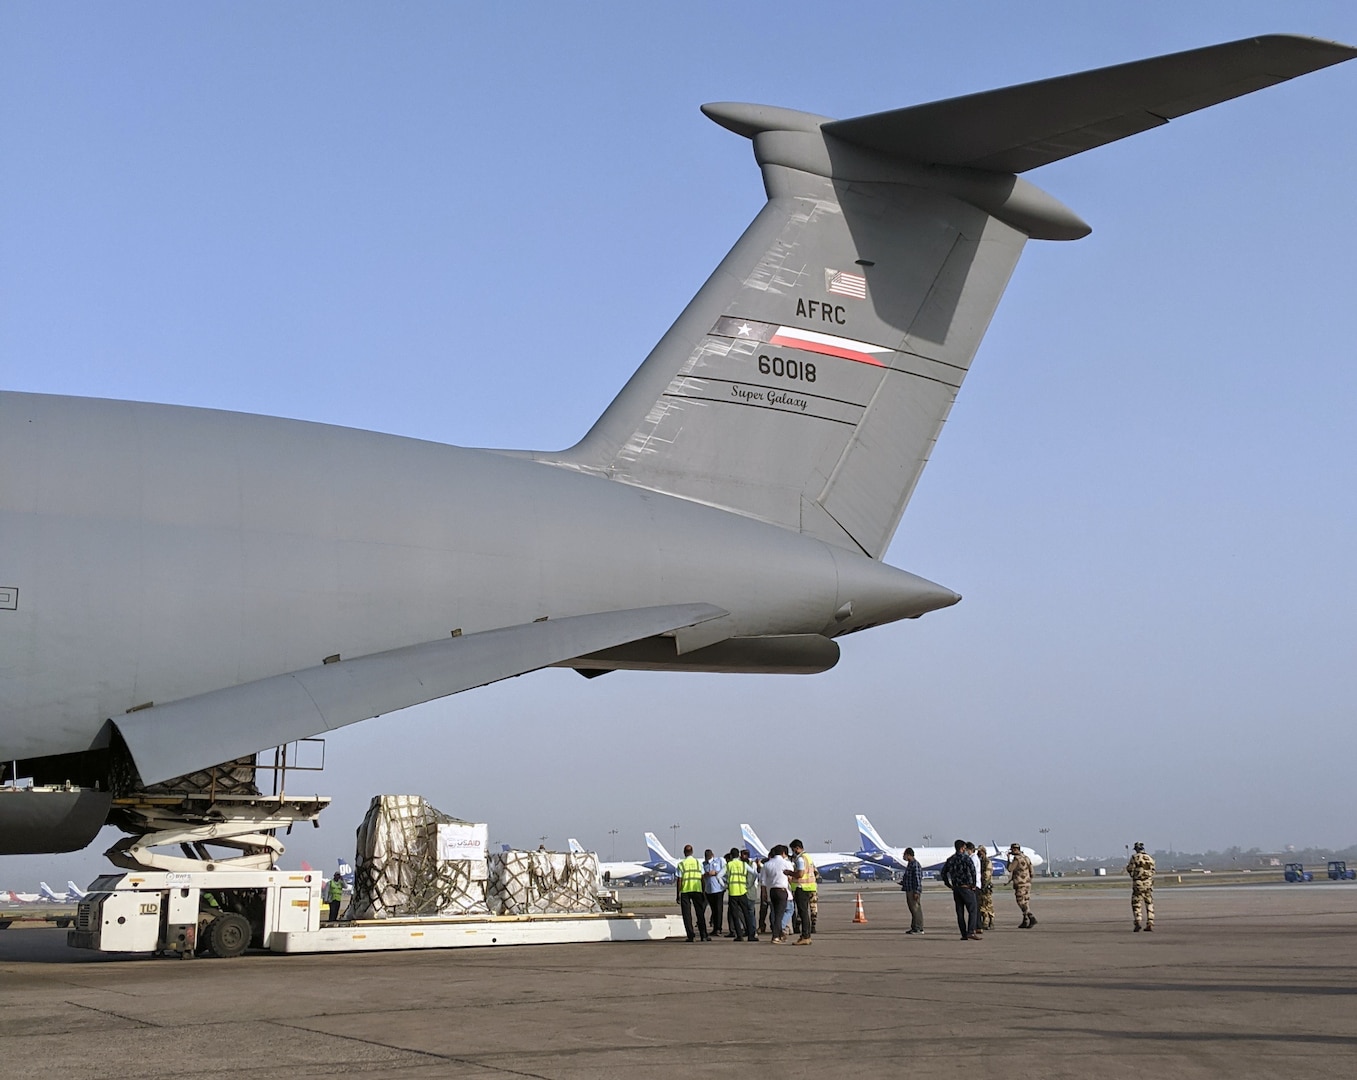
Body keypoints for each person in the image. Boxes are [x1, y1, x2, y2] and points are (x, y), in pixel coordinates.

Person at [939, 839, 980, 940]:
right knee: (973, 909)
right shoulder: (966, 859)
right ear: (962, 848)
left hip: (956, 888)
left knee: (960, 912)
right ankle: (971, 931)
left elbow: (943, 873)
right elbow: (973, 872)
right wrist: (973, 884)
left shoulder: (951, 859)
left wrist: (948, 884)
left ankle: (963, 934)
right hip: (966, 887)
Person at [676, 844, 709, 942]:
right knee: (700, 913)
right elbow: (702, 878)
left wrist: (677, 894)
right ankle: (703, 935)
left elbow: (679, 880)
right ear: (692, 852)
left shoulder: (681, 864)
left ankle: (691, 936)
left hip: (685, 890)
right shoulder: (698, 863)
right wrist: (703, 891)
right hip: (697, 890)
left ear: (684, 853)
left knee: (687, 915)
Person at [761, 844, 792, 943]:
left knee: (775, 912)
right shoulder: (786, 863)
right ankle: (775, 936)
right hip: (782, 890)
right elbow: (791, 878)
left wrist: (764, 894)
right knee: (780, 914)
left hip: (772, 891)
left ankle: (780, 934)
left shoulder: (767, 864)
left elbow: (763, 882)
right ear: (783, 853)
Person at [788, 839, 817, 945]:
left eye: (793, 849)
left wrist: (789, 873)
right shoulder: (808, 857)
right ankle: (806, 935)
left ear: (797, 848)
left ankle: (805, 936)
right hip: (809, 887)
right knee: (805, 913)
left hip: (802, 887)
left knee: (803, 913)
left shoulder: (800, 859)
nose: (793, 852)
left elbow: (800, 874)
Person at [726, 848, 756, 941]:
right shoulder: (743, 865)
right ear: (738, 855)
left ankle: (739, 935)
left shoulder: (729, 865)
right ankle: (751, 935)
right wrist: (749, 884)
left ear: (731, 856)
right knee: (746, 914)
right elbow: (754, 873)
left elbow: (719, 875)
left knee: (735, 915)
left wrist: (725, 884)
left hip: (733, 892)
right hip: (742, 891)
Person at [1126, 841, 1156, 932]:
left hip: (1138, 883)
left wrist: (1133, 875)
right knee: (1149, 902)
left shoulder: (1135, 857)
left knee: (1136, 903)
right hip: (1148, 883)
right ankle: (1150, 921)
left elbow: (1130, 868)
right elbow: (1153, 870)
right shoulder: (1150, 858)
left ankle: (1138, 921)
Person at [1006, 843, 1036, 928]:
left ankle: (1031, 916)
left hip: (1020, 883)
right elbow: (1032, 872)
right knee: (1026, 901)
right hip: (1027, 883)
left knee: (1020, 902)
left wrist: (1008, 859)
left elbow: (1010, 869)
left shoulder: (1017, 859)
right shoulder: (1026, 858)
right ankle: (1025, 920)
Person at [703, 848, 728, 937]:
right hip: (709, 890)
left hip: (718, 889)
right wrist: (706, 874)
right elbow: (702, 876)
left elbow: (725, 872)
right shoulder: (704, 864)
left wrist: (716, 872)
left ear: (712, 855)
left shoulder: (719, 861)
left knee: (718, 909)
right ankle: (714, 928)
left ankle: (718, 928)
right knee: (713, 909)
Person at [900, 847, 924, 934]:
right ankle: (914, 927)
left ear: (909, 855)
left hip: (913, 890)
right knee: (912, 909)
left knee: (916, 909)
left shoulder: (915, 864)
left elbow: (917, 879)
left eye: (904, 855)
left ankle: (918, 927)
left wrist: (917, 891)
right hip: (909, 889)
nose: (904, 857)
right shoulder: (910, 864)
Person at [977, 845, 994, 931]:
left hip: (985, 886)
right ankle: (986, 921)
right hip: (982, 885)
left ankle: (988, 921)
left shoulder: (987, 862)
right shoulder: (980, 861)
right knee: (982, 904)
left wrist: (984, 885)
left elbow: (987, 875)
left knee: (987, 904)